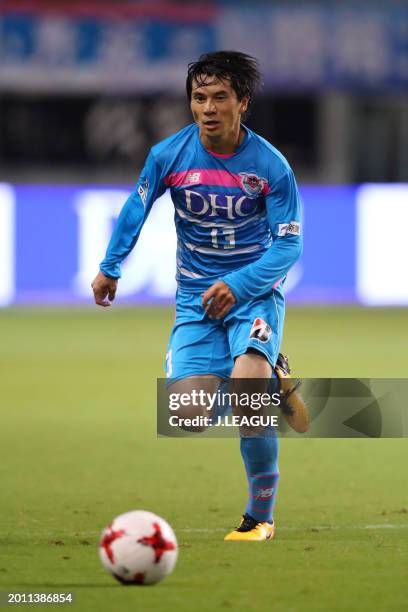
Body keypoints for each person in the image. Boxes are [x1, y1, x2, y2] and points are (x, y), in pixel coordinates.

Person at [92, 51, 306, 541]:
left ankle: (259, 518)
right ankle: (274, 377)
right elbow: (136, 206)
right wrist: (110, 266)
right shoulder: (169, 155)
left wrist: (239, 284)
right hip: (195, 299)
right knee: (186, 414)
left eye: (219, 97)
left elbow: (289, 243)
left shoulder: (270, 166)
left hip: (251, 294)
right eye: (199, 97)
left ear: (242, 103)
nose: (208, 108)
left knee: (248, 393)